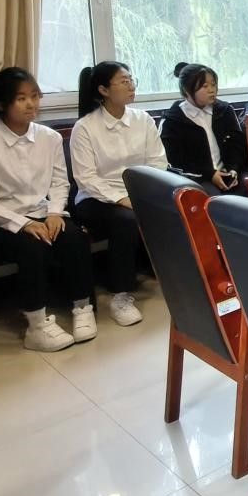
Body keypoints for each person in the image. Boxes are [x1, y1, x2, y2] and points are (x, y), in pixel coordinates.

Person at [0, 68, 96, 351]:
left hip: (40, 212)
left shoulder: (49, 137)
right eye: (21, 98)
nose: (31, 104)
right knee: (32, 246)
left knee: (73, 236)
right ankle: (37, 325)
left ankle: (82, 308)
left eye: (35, 96)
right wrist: (25, 224)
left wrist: (54, 213)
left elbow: (59, 182)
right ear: (1, 104)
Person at [70, 62, 168, 328]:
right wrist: (122, 199)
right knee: (126, 220)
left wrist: (143, 195)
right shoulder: (85, 127)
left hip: (138, 193)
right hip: (96, 199)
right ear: (103, 90)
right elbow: (86, 178)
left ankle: (177, 278)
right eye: (123, 81)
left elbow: (157, 162)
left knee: (178, 207)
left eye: (131, 80)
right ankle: (121, 295)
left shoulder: (143, 120)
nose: (131, 86)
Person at [159, 62, 246, 194]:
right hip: (196, 179)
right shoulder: (172, 120)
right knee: (216, 200)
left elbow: (237, 145)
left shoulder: (225, 111)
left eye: (213, 84)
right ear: (187, 90)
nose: (212, 90)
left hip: (228, 173)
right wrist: (210, 174)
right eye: (205, 86)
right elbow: (174, 161)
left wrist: (233, 169)